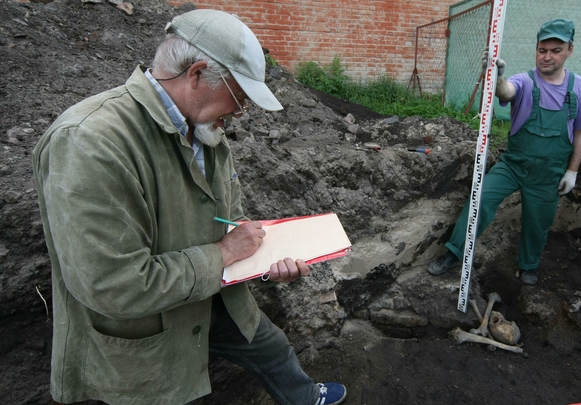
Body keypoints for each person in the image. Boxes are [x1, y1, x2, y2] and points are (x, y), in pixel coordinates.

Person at [33, 9, 346, 405]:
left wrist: (267, 260)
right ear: (196, 74)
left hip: (210, 296)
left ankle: (304, 397)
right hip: (146, 325)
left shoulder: (206, 130)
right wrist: (223, 253)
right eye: (239, 98)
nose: (240, 114)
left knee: (270, 346)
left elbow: (226, 223)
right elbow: (113, 285)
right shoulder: (90, 142)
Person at [427, 18, 581, 286]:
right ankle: (455, 252)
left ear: (569, 50)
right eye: (542, 50)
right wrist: (498, 75)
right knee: (480, 200)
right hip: (513, 164)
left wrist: (572, 171)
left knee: (537, 222)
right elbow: (507, 90)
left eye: (555, 51)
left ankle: (528, 265)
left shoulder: (580, 88)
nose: (547, 57)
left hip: (549, 172)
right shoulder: (525, 82)